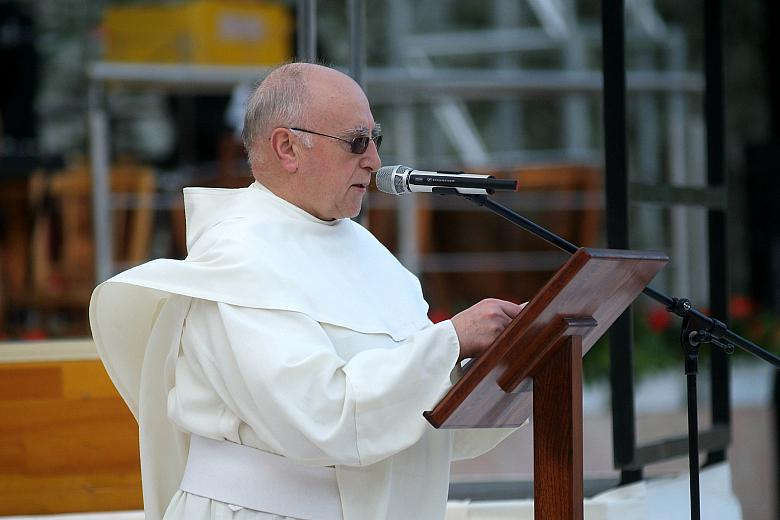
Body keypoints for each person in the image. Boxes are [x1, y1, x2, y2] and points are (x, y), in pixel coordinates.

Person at [90, 62, 526, 520]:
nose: (375, 160)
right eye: (357, 141)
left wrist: (510, 363)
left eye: (377, 139)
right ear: (288, 147)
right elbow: (321, 415)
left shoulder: (371, 254)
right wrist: (451, 339)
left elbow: (413, 421)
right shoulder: (240, 259)